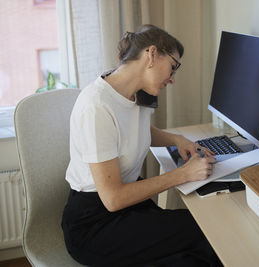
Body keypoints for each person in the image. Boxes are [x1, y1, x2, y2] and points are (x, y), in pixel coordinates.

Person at [61, 24, 221, 267]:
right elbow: (113, 199)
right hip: (95, 224)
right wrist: (183, 174)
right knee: (204, 235)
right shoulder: (96, 107)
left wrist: (178, 140)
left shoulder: (139, 94)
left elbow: (136, 129)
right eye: (173, 67)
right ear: (152, 54)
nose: (172, 79)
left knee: (200, 239)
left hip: (129, 206)